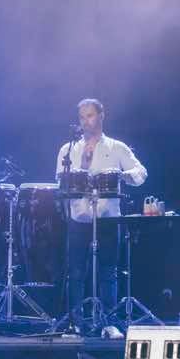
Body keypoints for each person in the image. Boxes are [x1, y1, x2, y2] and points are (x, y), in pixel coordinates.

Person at [54, 99, 147, 325]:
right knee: (76, 273)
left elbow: (141, 172)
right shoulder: (68, 149)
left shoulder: (116, 147)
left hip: (108, 218)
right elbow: (60, 180)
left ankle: (110, 322)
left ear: (102, 116)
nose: (86, 121)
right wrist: (83, 165)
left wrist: (123, 176)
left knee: (108, 272)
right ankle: (75, 321)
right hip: (79, 217)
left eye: (90, 116)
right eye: (82, 117)